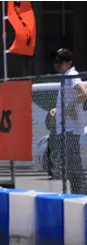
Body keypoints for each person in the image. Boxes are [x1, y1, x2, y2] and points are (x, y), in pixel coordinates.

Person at [50, 48, 87, 194]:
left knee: (73, 165)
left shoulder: (71, 75)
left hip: (71, 129)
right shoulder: (66, 77)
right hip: (66, 129)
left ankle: (81, 194)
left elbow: (84, 93)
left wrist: (71, 107)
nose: (57, 65)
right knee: (71, 165)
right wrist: (59, 110)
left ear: (69, 63)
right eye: (55, 62)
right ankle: (77, 194)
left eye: (60, 62)